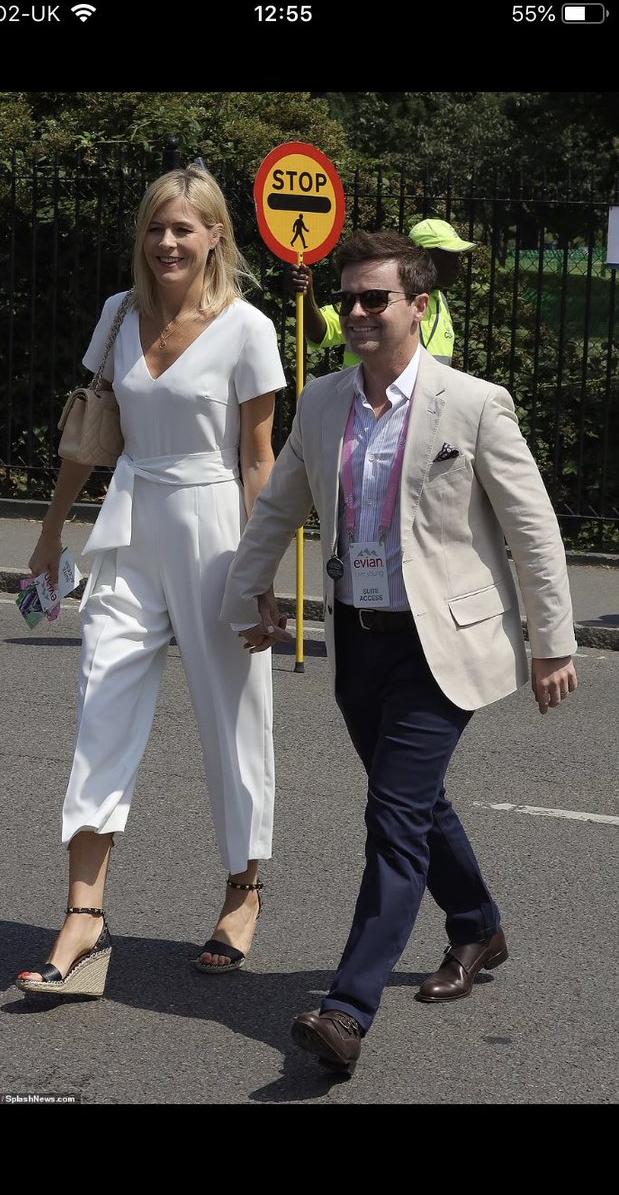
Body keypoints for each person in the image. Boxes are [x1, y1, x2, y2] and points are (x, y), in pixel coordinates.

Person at [221, 228, 578, 1076]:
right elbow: (279, 507)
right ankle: (477, 927)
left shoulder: (473, 403)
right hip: (358, 635)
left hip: (440, 644)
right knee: (412, 802)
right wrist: (250, 593)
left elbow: (532, 531)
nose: (354, 312)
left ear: (419, 305)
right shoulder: (323, 401)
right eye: (347, 298)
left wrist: (550, 642)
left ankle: (346, 1011)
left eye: (373, 298)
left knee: (391, 817)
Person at [15, 164, 287, 998]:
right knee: (100, 706)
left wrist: (263, 572)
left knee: (232, 721)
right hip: (131, 521)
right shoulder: (119, 315)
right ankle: (85, 919)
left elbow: (256, 459)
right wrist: (53, 529)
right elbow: (90, 430)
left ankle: (242, 890)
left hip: (214, 531)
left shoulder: (248, 328)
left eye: (183, 228)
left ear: (214, 236)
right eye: (155, 228)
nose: (167, 242)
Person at [290, 216, 476, 368]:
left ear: (421, 305)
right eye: (448, 257)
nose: (457, 266)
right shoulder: (376, 298)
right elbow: (319, 333)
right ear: (423, 257)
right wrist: (306, 295)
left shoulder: (439, 301)